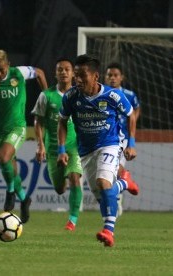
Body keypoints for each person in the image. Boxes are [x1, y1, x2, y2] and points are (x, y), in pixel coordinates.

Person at [58, 54, 139, 247]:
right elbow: (62, 122)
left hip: (110, 143)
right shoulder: (71, 97)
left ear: (95, 77)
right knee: (103, 196)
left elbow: (131, 115)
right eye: (75, 75)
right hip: (85, 151)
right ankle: (124, 182)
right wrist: (61, 149)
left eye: (82, 75)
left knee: (104, 183)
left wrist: (131, 144)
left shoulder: (112, 96)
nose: (77, 79)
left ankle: (108, 231)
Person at [0, 49, 48, 223]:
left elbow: (39, 73)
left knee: (2, 157)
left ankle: (10, 192)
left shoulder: (19, 73)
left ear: (8, 65)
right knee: (10, 167)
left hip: (17, 127)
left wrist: (47, 95)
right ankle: (24, 199)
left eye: (1, 69)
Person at [31, 58, 83, 231]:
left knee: (75, 177)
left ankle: (72, 220)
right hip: (53, 149)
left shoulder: (80, 94)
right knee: (60, 189)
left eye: (67, 69)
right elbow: (38, 121)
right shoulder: (46, 96)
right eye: (60, 69)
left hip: (73, 146)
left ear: (73, 73)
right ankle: (64, 179)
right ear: (55, 73)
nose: (64, 72)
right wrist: (40, 145)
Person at [104, 62, 141, 216]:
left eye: (116, 75)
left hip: (122, 140)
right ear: (105, 77)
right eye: (110, 75)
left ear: (122, 77)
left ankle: (117, 199)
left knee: (117, 169)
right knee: (108, 174)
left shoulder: (129, 95)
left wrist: (131, 143)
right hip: (104, 140)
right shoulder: (101, 93)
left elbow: (136, 110)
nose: (112, 78)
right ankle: (121, 187)